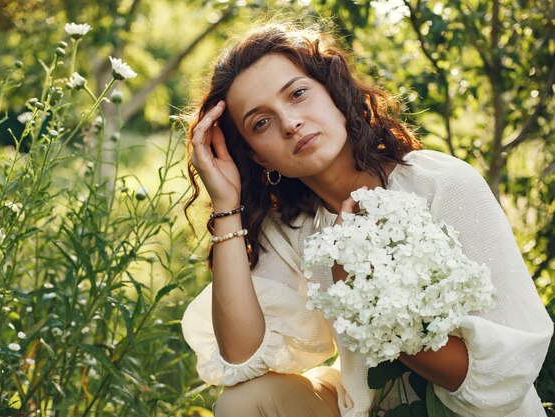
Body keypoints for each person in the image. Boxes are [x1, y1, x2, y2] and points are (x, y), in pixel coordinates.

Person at [181, 21, 553, 417]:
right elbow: (241, 353)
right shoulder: (293, 225)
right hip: (369, 407)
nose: (290, 123)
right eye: (261, 122)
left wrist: (362, 291)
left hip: (479, 411)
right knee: (240, 404)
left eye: (298, 94)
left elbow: (502, 379)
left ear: (333, 93)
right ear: (258, 156)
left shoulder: (440, 183)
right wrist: (226, 205)